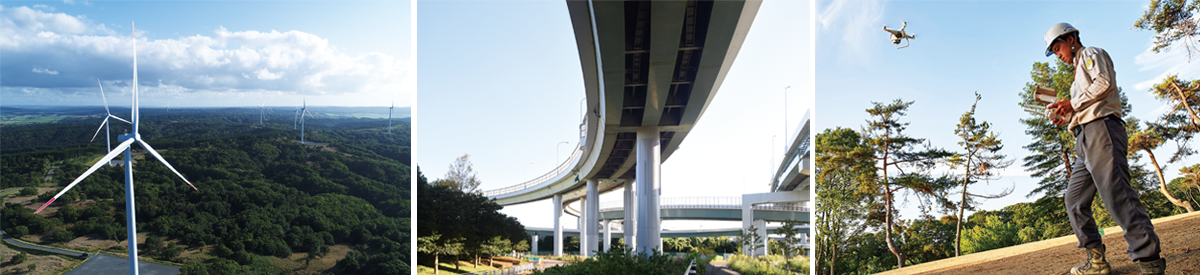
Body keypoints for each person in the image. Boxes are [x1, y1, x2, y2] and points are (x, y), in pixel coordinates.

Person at [1043, 22, 1166, 275]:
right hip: (1084, 138)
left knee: (1117, 193)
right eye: (1054, 52)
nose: (1058, 55)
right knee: (1075, 201)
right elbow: (1083, 104)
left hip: (1102, 130)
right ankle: (1097, 262)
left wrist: (1073, 104)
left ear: (1071, 39)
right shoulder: (1077, 75)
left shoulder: (1090, 54)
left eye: (1058, 48)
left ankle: (1150, 262)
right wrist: (1064, 114)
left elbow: (1105, 82)